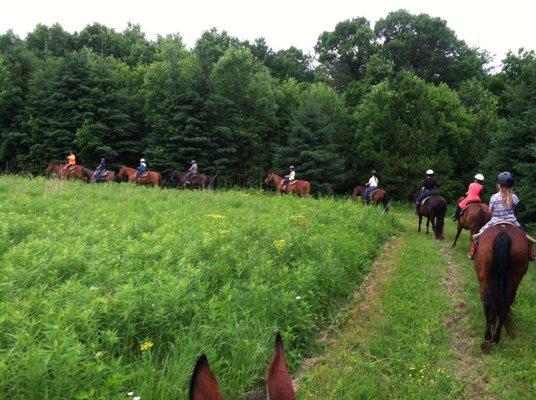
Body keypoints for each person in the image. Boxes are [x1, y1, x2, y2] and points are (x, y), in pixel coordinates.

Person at [469, 171, 535, 260]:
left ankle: (473, 251)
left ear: (498, 185)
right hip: (512, 221)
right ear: (511, 186)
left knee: (479, 234)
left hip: (495, 220)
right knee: (524, 234)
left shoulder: (493, 197)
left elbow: (490, 211)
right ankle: (531, 252)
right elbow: (514, 209)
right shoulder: (514, 197)